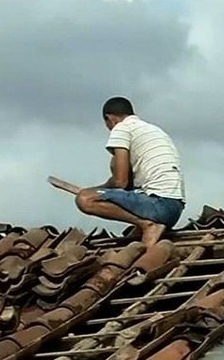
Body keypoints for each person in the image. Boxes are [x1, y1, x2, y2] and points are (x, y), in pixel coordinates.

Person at [75, 96, 185, 248]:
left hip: (157, 205)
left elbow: (120, 182)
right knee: (132, 242)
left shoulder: (121, 128)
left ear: (110, 119)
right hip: (174, 209)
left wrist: (96, 190)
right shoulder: (153, 130)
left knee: (85, 199)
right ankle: (145, 226)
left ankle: (146, 224)